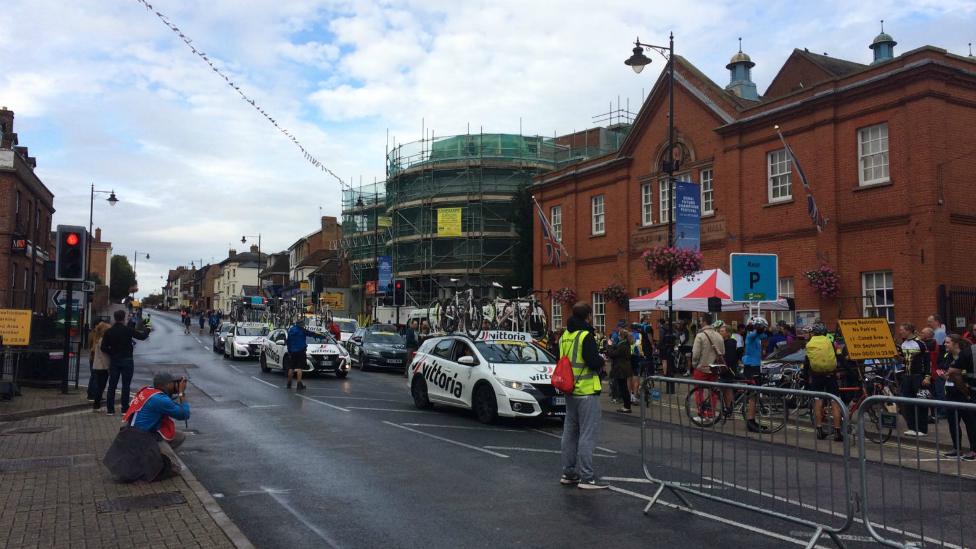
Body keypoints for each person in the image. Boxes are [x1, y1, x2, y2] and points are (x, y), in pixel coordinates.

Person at [104, 372, 190, 482]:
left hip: (131, 433)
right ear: (166, 385)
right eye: (174, 383)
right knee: (175, 468)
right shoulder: (160, 400)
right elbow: (184, 414)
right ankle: (146, 463)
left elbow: (168, 402)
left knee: (179, 436)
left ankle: (155, 456)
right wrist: (182, 393)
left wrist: (177, 391)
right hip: (141, 438)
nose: (176, 385)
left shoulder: (148, 391)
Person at [559, 302, 609, 489]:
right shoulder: (585, 335)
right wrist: (601, 359)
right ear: (588, 316)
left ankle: (569, 472)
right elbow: (592, 361)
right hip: (587, 390)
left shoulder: (565, 335)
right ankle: (587, 477)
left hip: (570, 390)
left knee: (570, 433)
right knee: (587, 434)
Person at [101, 310, 150, 415]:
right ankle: (124, 409)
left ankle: (110, 410)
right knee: (126, 386)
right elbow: (143, 336)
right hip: (127, 360)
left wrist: (112, 352)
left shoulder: (109, 331)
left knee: (112, 385)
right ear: (124, 318)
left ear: (115, 318)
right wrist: (148, 326)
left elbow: (103, 347)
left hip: (114, 360)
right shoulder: (128, 330)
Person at [804, 323, 843, 442]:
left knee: (818, 402)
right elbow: (839, 357)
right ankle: (837, 432)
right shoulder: (831, 343)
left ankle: (820, 430)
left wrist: (806, 378)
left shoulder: (809, 344)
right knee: (835, 402)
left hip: (816, 376)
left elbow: (807, 363)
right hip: (830, 375)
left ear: (814, 333)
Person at [940, 335, 976, 460]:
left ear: (955, 343)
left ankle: (973, 450)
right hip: (950, 392)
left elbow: (963, 374)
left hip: (964, 393)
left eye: (947, 342)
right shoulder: (947, 356)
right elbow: (944, 370)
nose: (945, 344)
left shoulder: (965, 356)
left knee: (970, 422)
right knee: (953, 422)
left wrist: (964, 389)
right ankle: (957, 448)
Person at [690, 315, 727, 423]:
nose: (699, 322)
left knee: (698, 391)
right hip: (714, 368)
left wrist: (694, 364)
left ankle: (701, 414)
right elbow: (722, 352)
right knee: (713, 392)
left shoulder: (700, 336)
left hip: (701, 368)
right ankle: (711, 414)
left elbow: (695, 354)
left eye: (700, 321)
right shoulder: (719, 336)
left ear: (704, 321)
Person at [897, 323, 929, 436]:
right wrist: (897, 357)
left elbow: (927, 361)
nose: (900, 332)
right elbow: (903, 360)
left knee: (921, 402)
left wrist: (927, 376)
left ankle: (922, 429)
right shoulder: (903, 344)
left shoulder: (920, 343)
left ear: (908, 330)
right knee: (907, 402)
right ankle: (911, 427)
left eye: (902, 330)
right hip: (906, 376)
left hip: (918, 376)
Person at [741, 316, 769, 433]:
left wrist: (764, 328)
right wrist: (757, 328)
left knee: (754, 395)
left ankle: (751, 420)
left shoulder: (757, 336)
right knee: (753, 396)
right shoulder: (750, 336)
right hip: (751, 367)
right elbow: (755, 334)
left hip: (755, 366)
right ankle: (750, 421)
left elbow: (765, 335)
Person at [607, 327, 633, 413]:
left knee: (623, 388)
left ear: (621, 336)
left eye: (619, 335)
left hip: (621, 369)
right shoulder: (624, 344)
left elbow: (612, 354)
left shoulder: (623, 345)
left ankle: (627, 406)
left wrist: (610, 346)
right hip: (623, 368)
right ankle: (626, 405)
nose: (618, 337)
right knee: (623, 387)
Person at [89, 321, 112, 412]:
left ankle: (96, 404)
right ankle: (96, 405)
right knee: (101, 387)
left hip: (97, 366)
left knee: (99, 386)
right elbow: (104, 357)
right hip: (102, 367)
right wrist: (108, 368)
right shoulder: (103, 340)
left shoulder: (98, 339)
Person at [285, 320, 309, 390]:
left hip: (292, 351)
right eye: (303, 324)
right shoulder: (302, 330)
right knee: (299, 368)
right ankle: (299, 384)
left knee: (291, 367)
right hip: (301, 351)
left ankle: (289, 383)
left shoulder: (291, 330)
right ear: (301, 325)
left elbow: (288, 341)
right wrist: (321, 336)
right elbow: (310, 334)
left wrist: (289, 351)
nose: (304, 325)